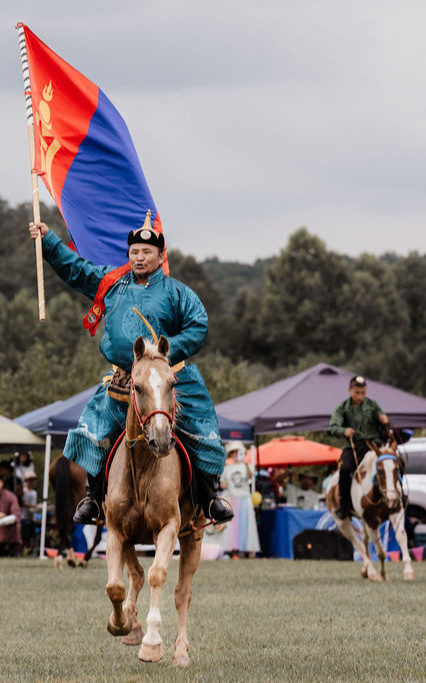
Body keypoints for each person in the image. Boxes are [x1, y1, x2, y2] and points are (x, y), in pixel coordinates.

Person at [29, 218, 232, 525]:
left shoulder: (178, 293)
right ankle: (94, 499)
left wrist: (164, 351)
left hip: (168, 378)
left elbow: (198, 325)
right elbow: (76, 268)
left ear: (160, 257)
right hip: (124, 379)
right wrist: (48, 240)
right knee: (95, 430)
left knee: (201, 431)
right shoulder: (111, 283)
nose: (139, 257)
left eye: (146, 252)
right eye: (134, 251)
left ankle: (209, 498)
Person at [328, 375, 390, 519]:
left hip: (372, 445)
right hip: (353, 446)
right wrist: (344, 431)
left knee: (390, 463)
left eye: (363, 393)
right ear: (350, 390)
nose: (360, 396)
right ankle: (344, 505)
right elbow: (333, 426)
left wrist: (385, 420)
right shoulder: (342, 408)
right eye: (357, 393)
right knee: (344, 470)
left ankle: (398, 496)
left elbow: (383, 420)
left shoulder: (372, 404)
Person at [219, 442, 260, 558]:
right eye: (234, 452)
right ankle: (234, 551)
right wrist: (224, 484)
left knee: (247, 526)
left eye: (238, 452)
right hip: (232, 499)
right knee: (233, 528)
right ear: (231, 454)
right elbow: (222, 484)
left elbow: (251, 476)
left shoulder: (247, 465)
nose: (236, 454)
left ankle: (250, 550)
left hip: (244, 498)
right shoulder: (227, 468)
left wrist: (246, 464)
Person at [20, 473, 39, 554]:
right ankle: (23, 550)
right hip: (24, 516)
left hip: (32, 517)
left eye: (33, 480)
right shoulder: (23, 491)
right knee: (24, 535)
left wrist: (35, 507)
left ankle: (29, 550)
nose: (31, 482)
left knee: (30, 535)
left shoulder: (34, 492)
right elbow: (22, 503)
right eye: (29, 480)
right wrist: (31, 506)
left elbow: (34, 505)